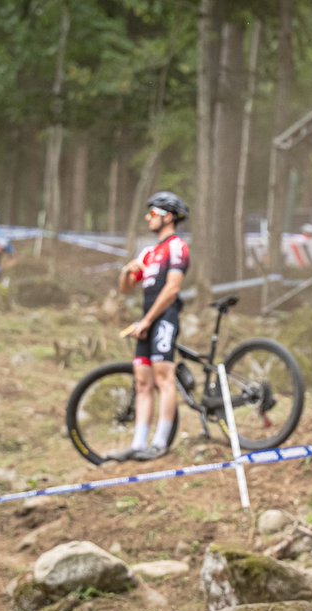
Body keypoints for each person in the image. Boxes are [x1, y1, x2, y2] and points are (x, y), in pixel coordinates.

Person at [113, 191, 191, 462]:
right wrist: (127, 269)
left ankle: (160, 442)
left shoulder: (177, 246)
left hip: (165, 318)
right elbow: (126, 289)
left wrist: (146, 321)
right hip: (146, 321)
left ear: (167, 217)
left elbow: (173, 289)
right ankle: (138, 444)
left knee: (163, 377)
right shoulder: (147, 252)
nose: (148, 218)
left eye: (153, 213)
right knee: (142, 382)